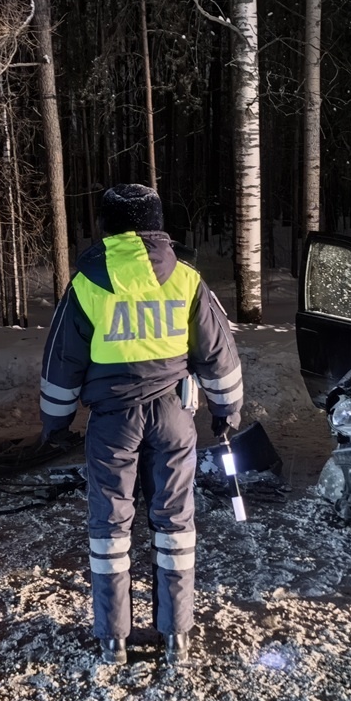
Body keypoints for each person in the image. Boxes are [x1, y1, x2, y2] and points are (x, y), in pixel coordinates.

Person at [40, 183, 243, 666]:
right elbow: (218, 353)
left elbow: (62, 362)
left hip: (112, 422)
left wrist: (56, 423)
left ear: (106, 228)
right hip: (173, 416)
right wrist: (226, 410)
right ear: (157, 226)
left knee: (109, 526)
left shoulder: (87, 284)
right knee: (175, 524)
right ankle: (177, 635)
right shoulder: (186, 280)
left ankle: (113, 638)